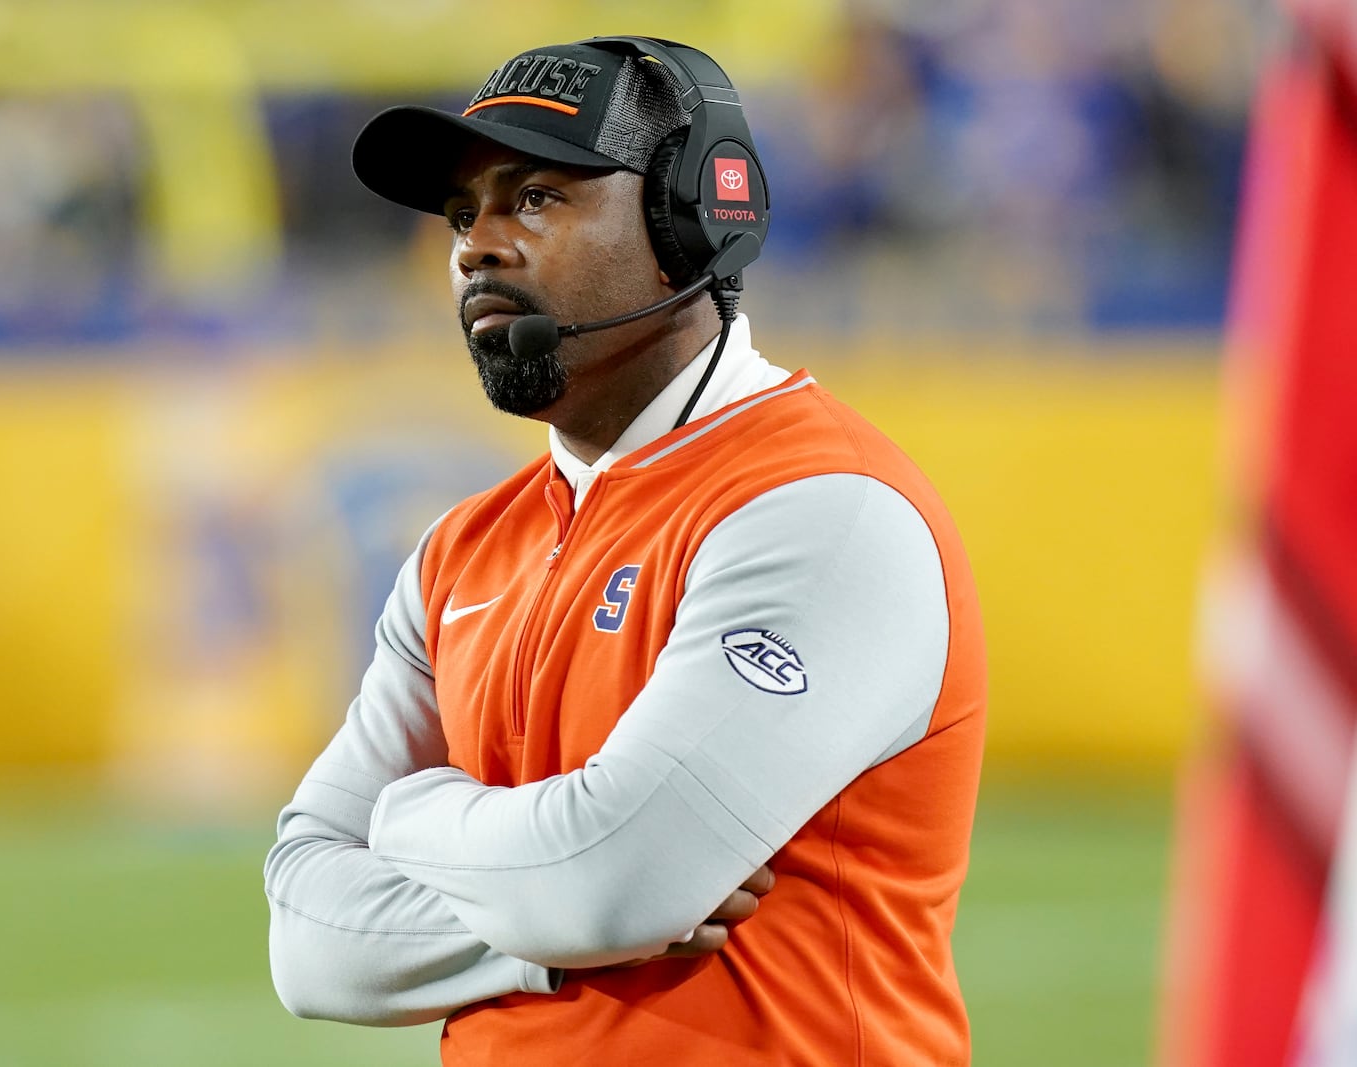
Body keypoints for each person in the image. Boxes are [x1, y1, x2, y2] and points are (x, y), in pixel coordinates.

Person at [265, 36, 986, 1066]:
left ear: (688, 224)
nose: (478, 245)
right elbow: (309, 946)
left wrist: (413, 814)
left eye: (537, 198)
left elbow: (617, 881)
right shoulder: (458, 550)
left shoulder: (825, 507)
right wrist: (545, 923)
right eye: (463, 213)